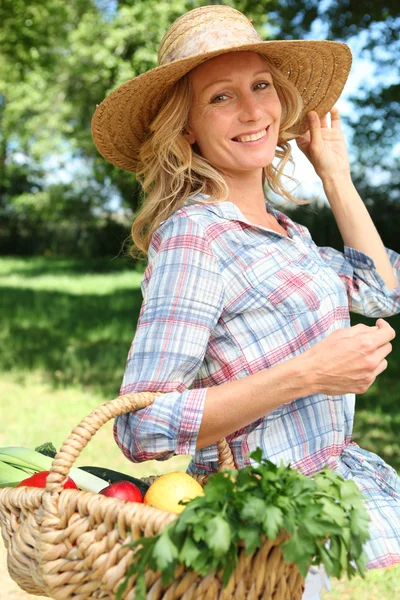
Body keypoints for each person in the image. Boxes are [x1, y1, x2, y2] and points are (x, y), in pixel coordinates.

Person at [91, 5, 400, 599]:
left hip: (299, 523)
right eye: (222, 97)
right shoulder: (195, 236)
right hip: (244, 538)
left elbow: (383, 290)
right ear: (186, 127)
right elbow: (139, 425)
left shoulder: (287, 232)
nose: (254, 110)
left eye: (261, 86)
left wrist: (335, 174)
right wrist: (308, 374)